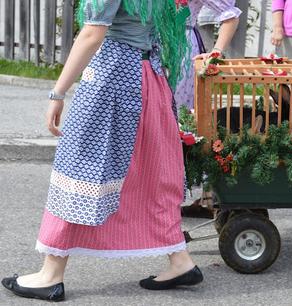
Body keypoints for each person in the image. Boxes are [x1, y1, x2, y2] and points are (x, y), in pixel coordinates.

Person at [2, 0, 203, 301]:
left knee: (79, 168)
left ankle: (51, 274)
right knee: (151, 174)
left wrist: (57, 92)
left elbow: (92, 34)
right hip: (151, 77)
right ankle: (180, 260)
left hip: (113, 78)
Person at [175, 1, 241, 218]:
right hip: (145, 49)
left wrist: (216, 52)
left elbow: (229, 14)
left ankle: (206, 196)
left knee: (183, 123)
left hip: (181, 51)